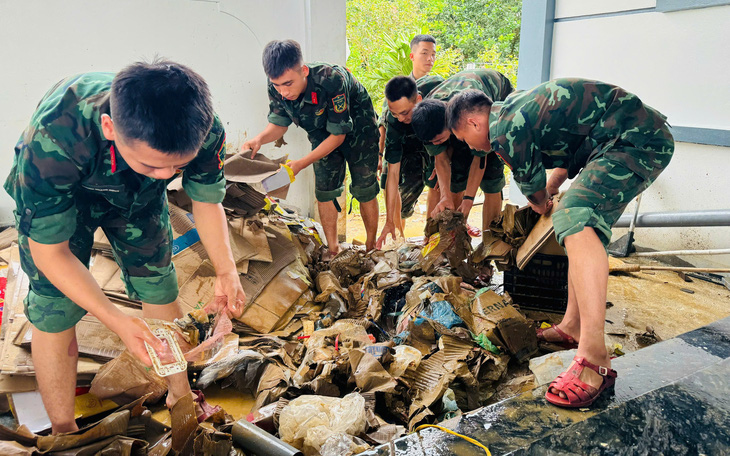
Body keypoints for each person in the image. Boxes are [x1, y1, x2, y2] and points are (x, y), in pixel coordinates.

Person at [4, 60, 247, 433]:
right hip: (70, 195)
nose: (167, 176)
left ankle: (179, 397)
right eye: (154, 165)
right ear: (109, 128)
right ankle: (63, 429)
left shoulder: (203, 128)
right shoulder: (53, 140)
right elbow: (50, 254)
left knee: (159, 286)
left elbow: (206, 200)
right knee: (55, 307)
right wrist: (118, 322)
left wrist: (226, 270)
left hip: (138, 199)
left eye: (176, 168)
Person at [446, 80, 674, 407]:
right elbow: (567, 161)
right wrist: (549, 194)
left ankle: (594, 357)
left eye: (463, 139)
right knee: (579, 228)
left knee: (573, 217)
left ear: (473, 122)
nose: (469, 146)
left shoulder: (504, 130)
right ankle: (572, 325)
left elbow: (534, 189)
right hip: (620, 141)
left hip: (636, 140)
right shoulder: (516, 112)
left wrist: (542, 201)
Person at [243, 40, 380, 255]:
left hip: (359, 129)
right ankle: (333, 250)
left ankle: (372, 247)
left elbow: (338, 136)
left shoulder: (331, 79)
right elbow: (279, 125)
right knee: (324, 191)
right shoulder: (276, 86)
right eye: (277, 85)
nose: (283, 92)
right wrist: (259, 139)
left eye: (288, 84)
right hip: (321, 131)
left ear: (304, 71)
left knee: (364, 187)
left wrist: (301, 164)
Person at [410, 69, 513, 234]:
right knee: (446, 179)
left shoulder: (470, 117)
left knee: (492, 179)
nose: (436, 144)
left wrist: (469, 199)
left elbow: (480, 159)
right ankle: (437, 236)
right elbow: (441, 159)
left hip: (495, 104)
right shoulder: (428, 115)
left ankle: (490, 242)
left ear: (449, 125)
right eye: (432, 142)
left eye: (438, 140)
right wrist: (445, 196)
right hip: (456, 112)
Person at [376, 74, 444, 247]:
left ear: (419, 100)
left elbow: (446, 152)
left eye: (405, 112)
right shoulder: (395, 121)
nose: (400, 118)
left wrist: (440, 161)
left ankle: (431, 237)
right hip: (408, 142)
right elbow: (393, 173)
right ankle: (398, 237)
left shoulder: (438, 105)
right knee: (389, 180)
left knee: (436, 180)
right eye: (394, 113)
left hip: (432, 131)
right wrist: (389, 221)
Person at [376, 34, 438, 174]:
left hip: (428, 152)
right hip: (400, 150)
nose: (430, 58)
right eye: (424, 53)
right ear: (412, 56)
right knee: (391, 182)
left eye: (433, 54)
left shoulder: (437, 87)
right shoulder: (399, 88)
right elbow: (384, 123)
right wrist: (379, 155)